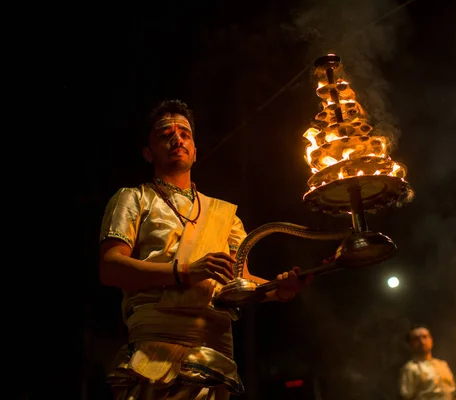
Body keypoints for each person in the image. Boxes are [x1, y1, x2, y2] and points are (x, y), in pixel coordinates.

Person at [99, 99, 311, 400]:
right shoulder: (134, 199)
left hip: (214, 358)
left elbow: (243, 282)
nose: (177, 139)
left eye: (185, 134)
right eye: (165, 135)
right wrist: (185, 272)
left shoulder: (225, 216)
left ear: (195, 151)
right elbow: (110, 267)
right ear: (148, 152)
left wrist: (280, 289)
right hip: (154, 354)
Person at [399, 325, 456, 400]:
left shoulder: (442, 364)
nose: (422, 342)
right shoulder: (410, 368)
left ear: (431, 340)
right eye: (416, 339)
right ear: (410, 344)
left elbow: (453, 394)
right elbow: (405, 397)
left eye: (425, 337)